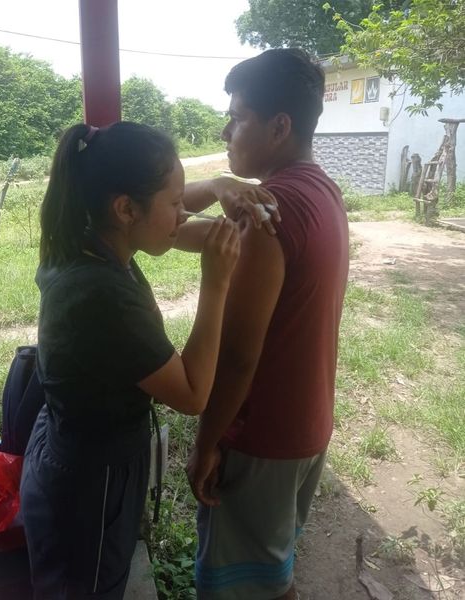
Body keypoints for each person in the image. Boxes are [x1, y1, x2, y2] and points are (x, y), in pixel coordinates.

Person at [20, 121, 241, 599]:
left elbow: (165, 226)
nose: (184, 214)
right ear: (125, 209)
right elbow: (192, 394)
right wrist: (216, 282)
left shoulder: (81, 237)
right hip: (90, 485)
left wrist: (216, 187)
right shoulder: (104, 296)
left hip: (67, 452)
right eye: (176, 203)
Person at [184, 48, 350, 600]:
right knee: (273, 576)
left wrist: (207, 442)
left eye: (237, 117)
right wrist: (218, 183)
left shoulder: (267, 214)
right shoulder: (322, 191)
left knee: (246, 589)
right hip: (307, 427)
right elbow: (170, 221)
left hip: (260, 440)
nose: (226, 131)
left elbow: (238, 355)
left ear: (279, 127)